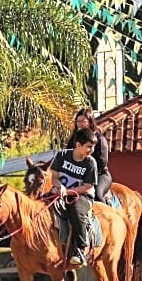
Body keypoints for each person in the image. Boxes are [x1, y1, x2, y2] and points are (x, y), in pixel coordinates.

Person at [50, 128, 98, 267]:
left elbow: (88, 186)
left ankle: (81, 249)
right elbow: (54, 177)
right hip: (61, 192)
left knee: (76, 212)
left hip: (83, 196)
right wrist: (59, 187)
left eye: (93, 147)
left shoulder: (90, 163)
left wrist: (68, 191)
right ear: (78, 145)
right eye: (89, 147)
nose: (91, 150)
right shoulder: (62, 156)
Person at [65, 108, 112, 204]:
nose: (80, 124)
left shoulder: (100, 139)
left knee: (98, 195)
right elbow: (67, 157)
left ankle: (107, 215)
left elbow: (102, 163)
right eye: (78, 121)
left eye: (83, 121)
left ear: (90, 122)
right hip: (76, 175)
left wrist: (86, 176)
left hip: (99, 175)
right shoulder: (73, 140)